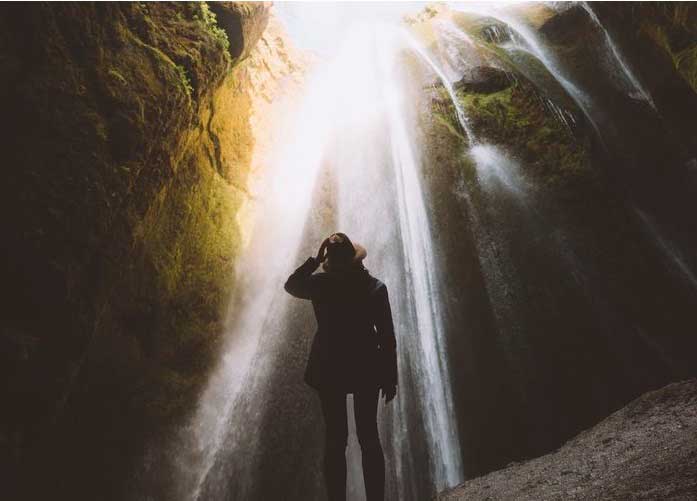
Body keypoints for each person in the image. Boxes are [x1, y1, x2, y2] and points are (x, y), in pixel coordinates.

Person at [284, 232, 398, 501]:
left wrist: (315, 259)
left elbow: (291, 285)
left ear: (331, 262)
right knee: (369, 437)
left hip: (329, 368)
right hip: (366, 367)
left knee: (335, 440)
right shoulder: (375, 287)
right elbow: (386, 336)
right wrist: (390, 376)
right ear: (356, 260)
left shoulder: (320, 284)